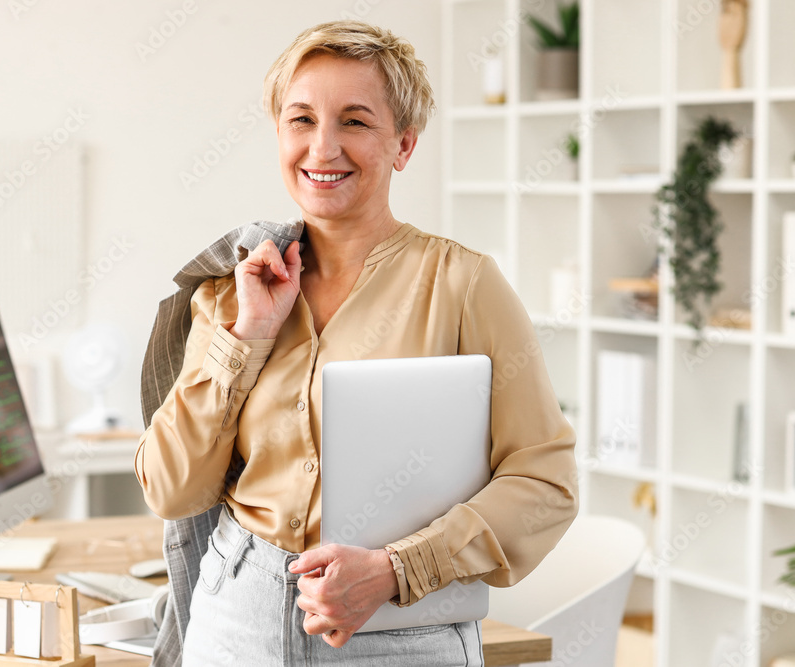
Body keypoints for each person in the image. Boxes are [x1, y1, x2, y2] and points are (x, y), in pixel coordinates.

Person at [135, 20, 578, 666]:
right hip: (235, 615)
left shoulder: (463, 284)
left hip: (398, 627)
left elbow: (547, 481)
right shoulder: (234, 292)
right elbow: (171, 489)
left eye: (355, 121)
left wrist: (398, 568)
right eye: (301, 120)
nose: (323, 147)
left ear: (403, 144)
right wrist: (247, 335)